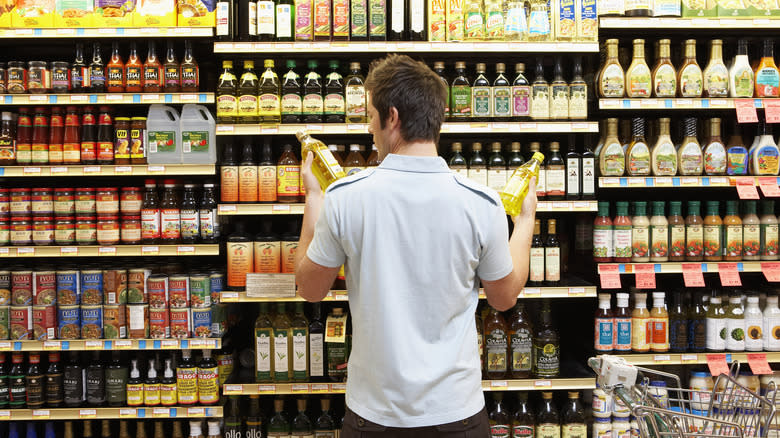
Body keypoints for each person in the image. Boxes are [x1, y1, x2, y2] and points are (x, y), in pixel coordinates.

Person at [294, 54, 537, 437]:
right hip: (457, 413)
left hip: (373, 416)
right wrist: (524, 222)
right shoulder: (481, 203)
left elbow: (310, 289)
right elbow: (504, 298)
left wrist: (313, 199)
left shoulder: (345, 197)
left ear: (392, 117)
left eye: (371, 117)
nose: (370, 129)